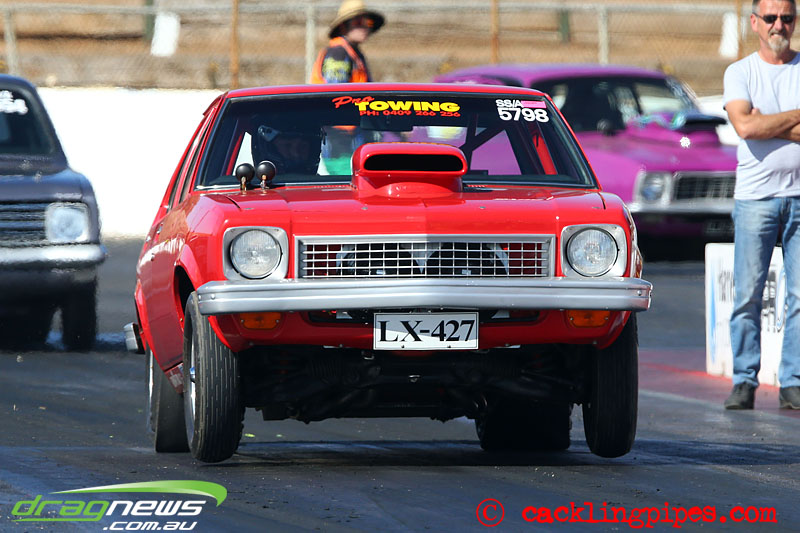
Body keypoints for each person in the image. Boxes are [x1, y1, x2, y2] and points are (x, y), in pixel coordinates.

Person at [723, 0, 800, 409]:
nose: (779, 25)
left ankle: (793, 382)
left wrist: (766, 121)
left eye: (786, 17)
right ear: (755, 23)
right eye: (770, 18)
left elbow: (756, 124)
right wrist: (794, 117)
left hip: (799, 198)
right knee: (747, 295)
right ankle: (744, 380)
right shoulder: (741, 72)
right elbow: (745, 125)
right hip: (756, 199)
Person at [310, 0, 385, 84]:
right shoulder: (338, 53)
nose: (364, 27)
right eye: (358, 22)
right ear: (343, 27)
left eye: (368, 23)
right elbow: (336, 89)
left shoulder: (355, 53)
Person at [252, 124, 322, 175]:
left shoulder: (323, 185)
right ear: (271, 150)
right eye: (287, 146)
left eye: (303, 146)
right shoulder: (250, 186)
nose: (296, 154)